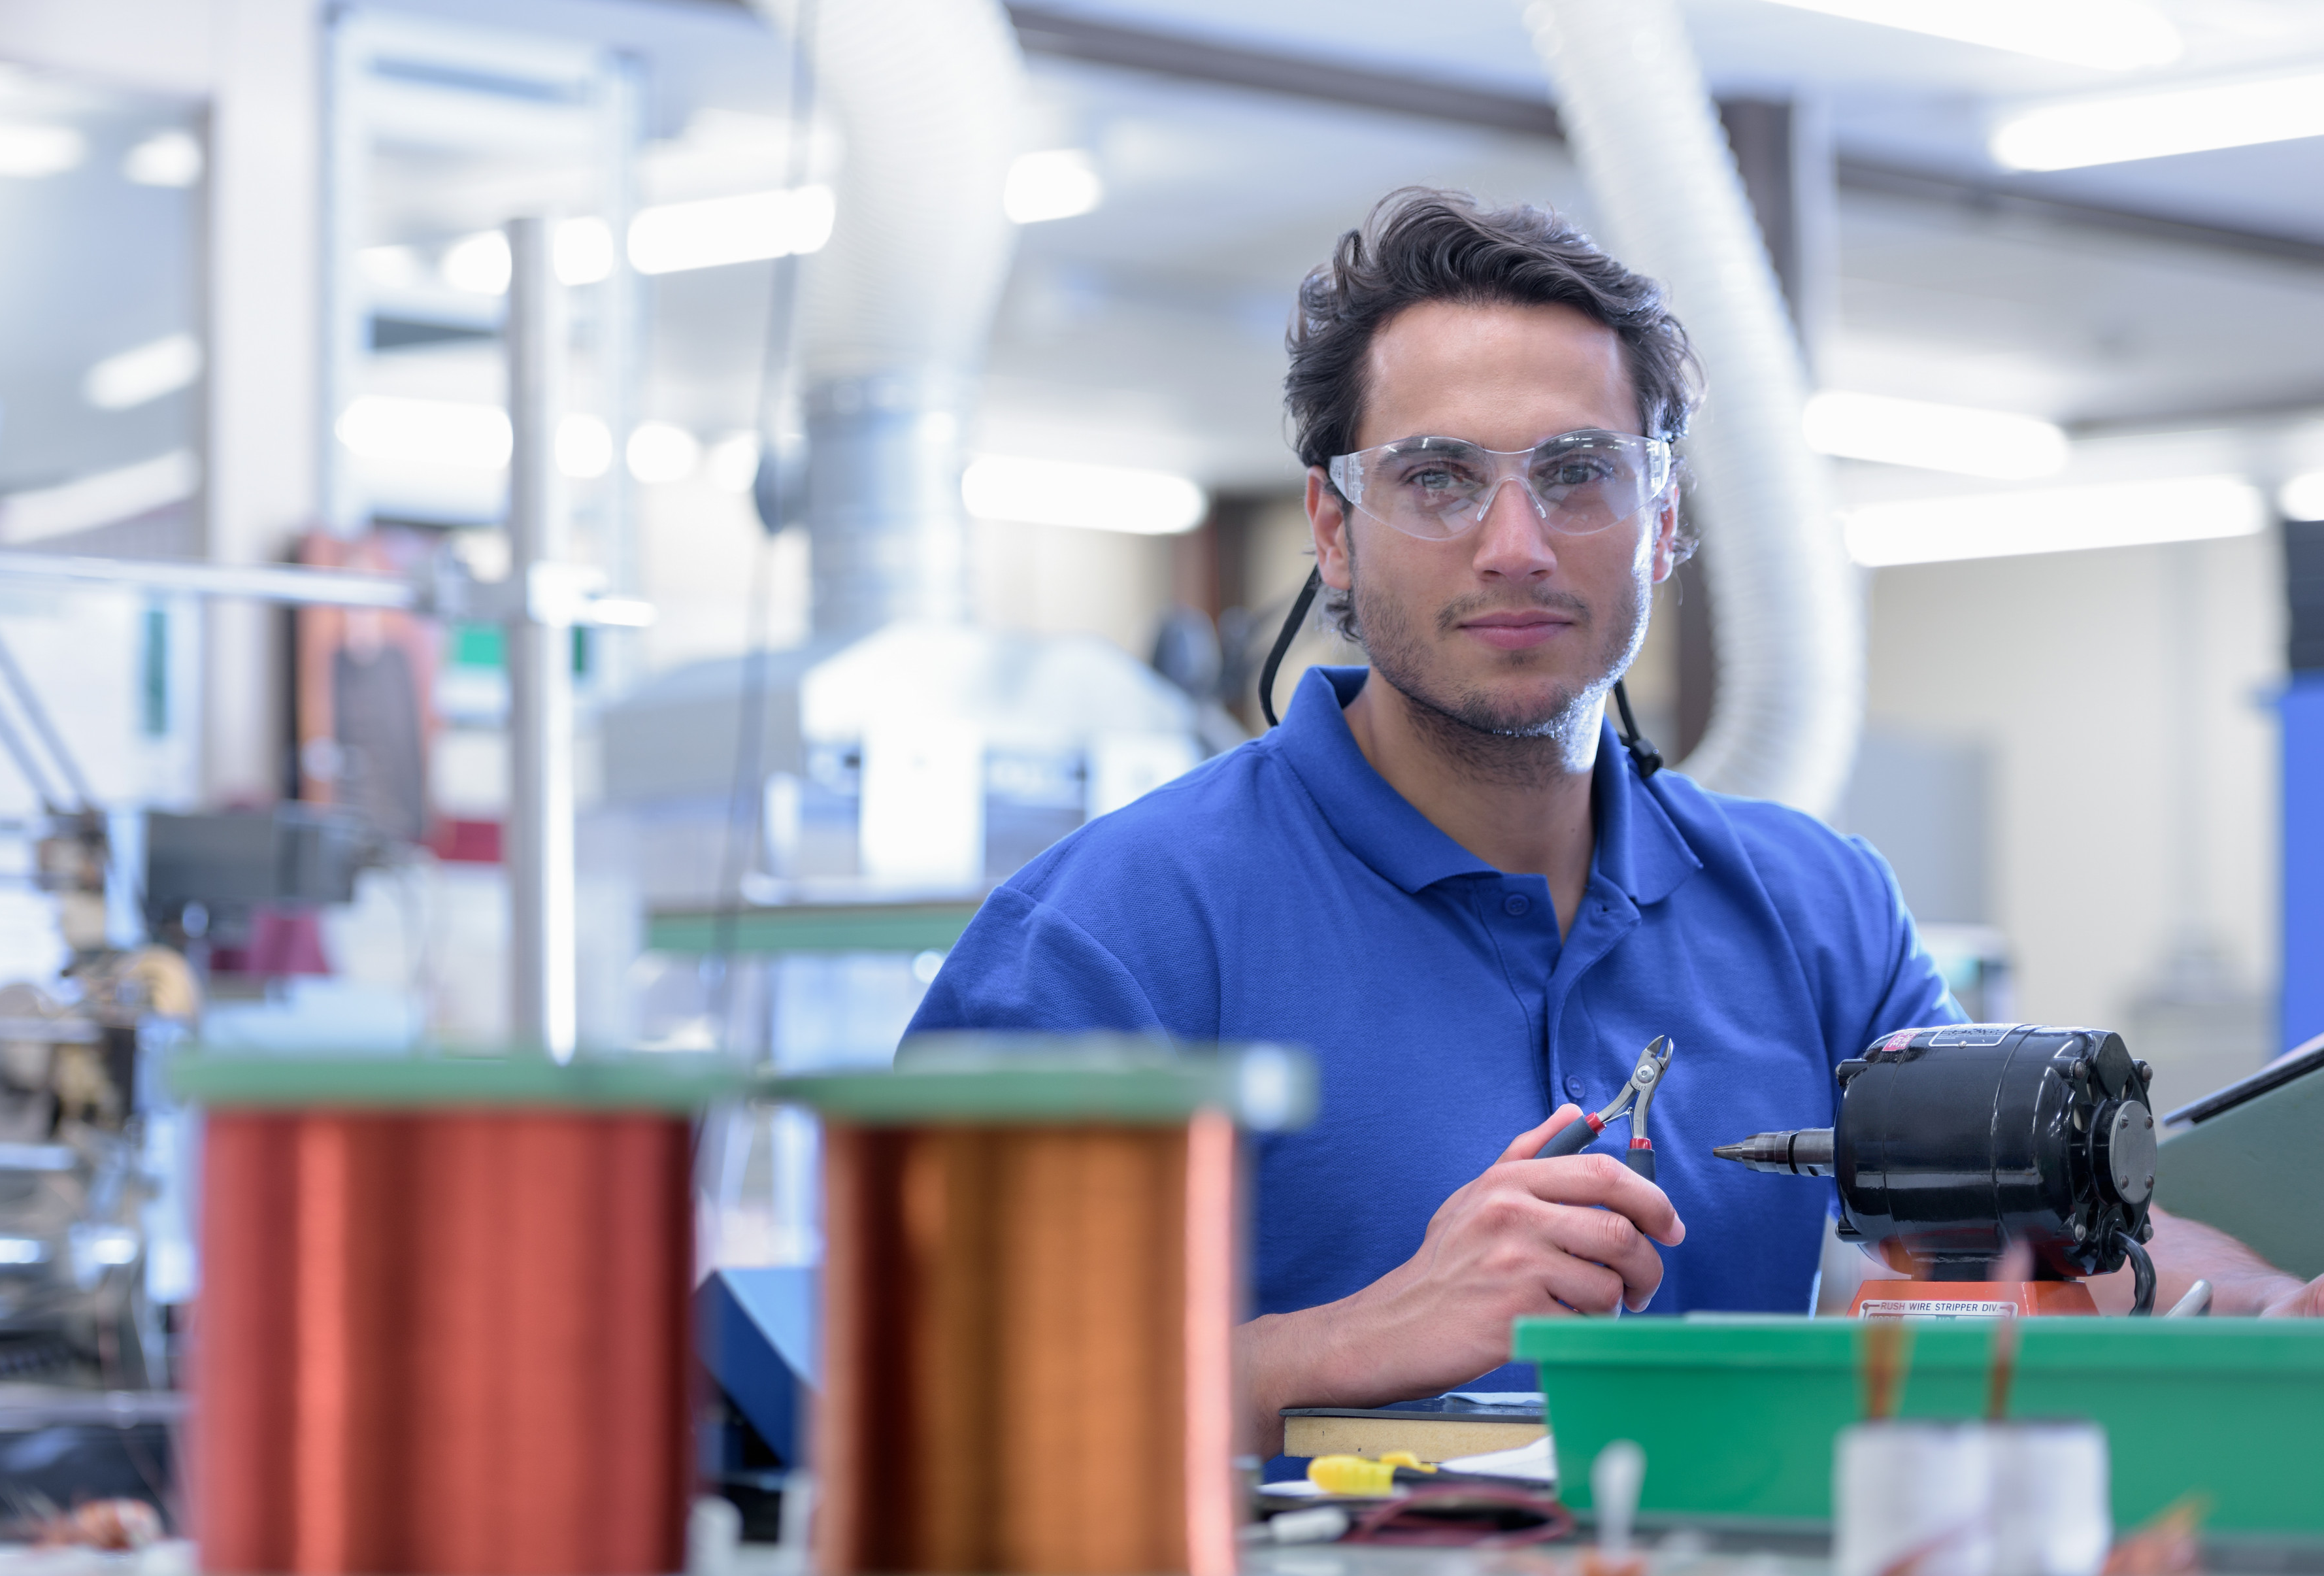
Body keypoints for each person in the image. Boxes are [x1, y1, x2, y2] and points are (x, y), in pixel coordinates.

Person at [904, 188, 2324, 1456]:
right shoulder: (1109, 940)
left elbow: (2006, 1242)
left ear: (1658, 521)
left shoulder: (1814, 907)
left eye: (1577, 471)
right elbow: (908, 1411)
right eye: (1436, 478)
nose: (1512, 542)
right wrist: (1366, 1338)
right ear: (1333, 531)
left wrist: (2255, 1304)